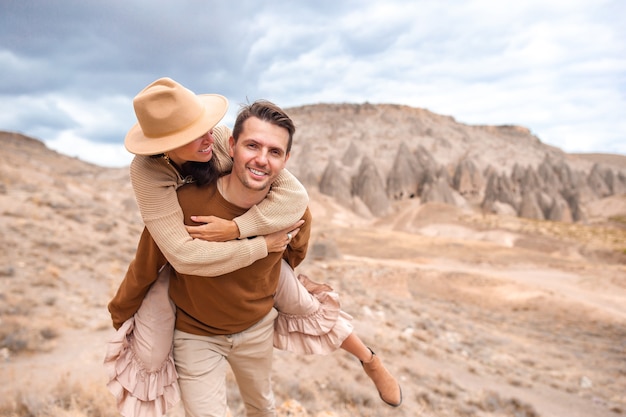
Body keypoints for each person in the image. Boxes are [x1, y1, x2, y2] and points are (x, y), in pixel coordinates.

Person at [106, 79, 401, 416]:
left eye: (208, 127)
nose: (207, 137)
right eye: (192, 135)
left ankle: (370, 360)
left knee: (303, 315)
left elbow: (296, 214)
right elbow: (172, 256)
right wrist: (261, 246)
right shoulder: (157, 181)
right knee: (151, 350)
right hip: (195, 329)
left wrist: (240, 232)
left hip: (255, 322)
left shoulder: (227, 151)